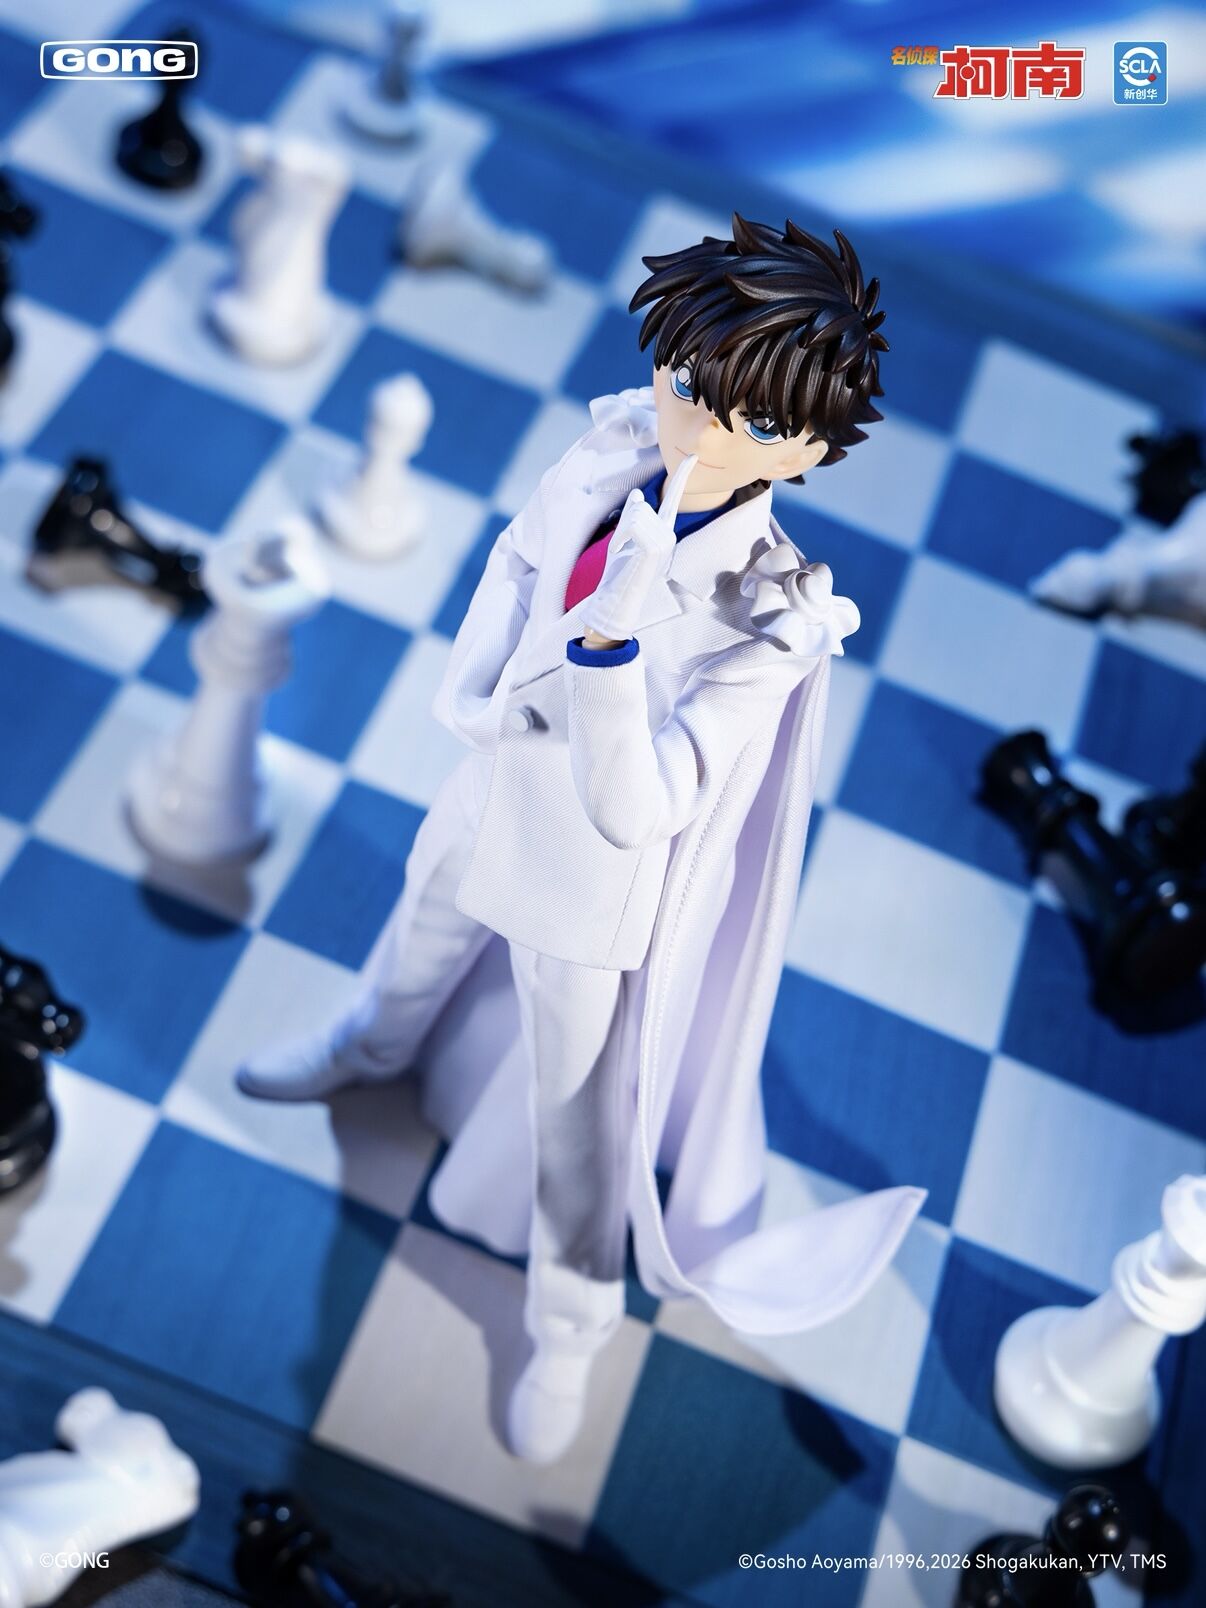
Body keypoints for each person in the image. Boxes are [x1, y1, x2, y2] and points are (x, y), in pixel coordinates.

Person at [237, 215, 926, 1462]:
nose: (701, 433)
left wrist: (608, 653)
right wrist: (474, 698)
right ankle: (364, 1047)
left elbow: (650, 805)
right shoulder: (610, 450)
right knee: (414, 942)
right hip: (489, 784)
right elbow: (516, 566)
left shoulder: (769, 622)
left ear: (810, 451)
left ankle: (572, 1320)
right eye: (690, 386)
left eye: (751, 423)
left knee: (576, 1125)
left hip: (587, 887)